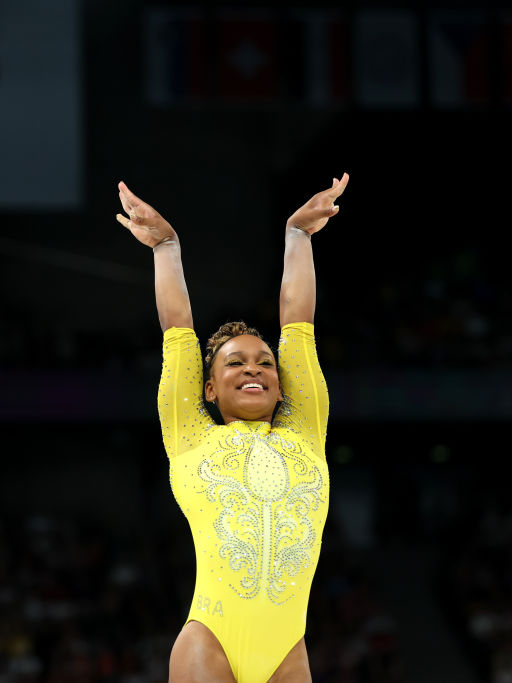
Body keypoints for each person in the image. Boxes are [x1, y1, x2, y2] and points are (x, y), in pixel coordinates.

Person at [115, 173, 349, 682]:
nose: (252, 368)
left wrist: (299, 236)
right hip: (211, 643)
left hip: (288, 651)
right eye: (234, 363)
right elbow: (177, 328)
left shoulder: (304, 432)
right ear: (208, 389)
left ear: (282, 385)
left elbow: (298, 322)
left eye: (265, 362)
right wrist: (165, 247)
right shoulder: (190, 436)